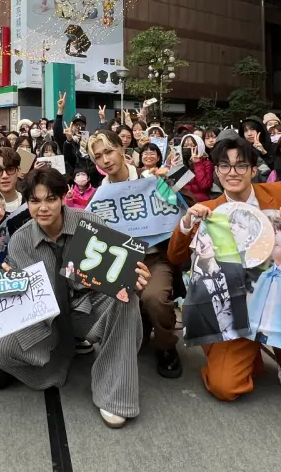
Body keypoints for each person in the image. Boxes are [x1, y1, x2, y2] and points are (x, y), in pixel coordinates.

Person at [167, 137, 281, 400]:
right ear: (216, 171)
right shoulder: (207, 210)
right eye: (225, 166)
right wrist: (186, 222)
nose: (233, 172)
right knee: (225, 388)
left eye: (241, 165)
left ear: (254, 170)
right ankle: (249, 356)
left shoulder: (279, 193)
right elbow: (175, 255)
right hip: (236, 313)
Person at [0, 167, 150, 428]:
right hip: (47, 317)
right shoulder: (20, 240)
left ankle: (115, 395)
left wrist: (135, 279)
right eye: (35, 200)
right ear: (27, 202)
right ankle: (58, 360)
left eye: (51, 198)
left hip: (89, 308)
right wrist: (9, 285)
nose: (43, 208)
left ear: (64, 197)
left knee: (125, 296)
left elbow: (119, 272)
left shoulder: (91, 224)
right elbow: (25, 299)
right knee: (0, 350)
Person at [87, 130, 180, 378]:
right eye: (98, 157)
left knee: (154, 298)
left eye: (108, 151)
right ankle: (134, 334)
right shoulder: (99, 196)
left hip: (154, 257)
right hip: (121, 260)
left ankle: (167, 346)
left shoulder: (150, 179)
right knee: (120, 301)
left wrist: (169, 186)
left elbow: (180, 210)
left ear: (122, 150)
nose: (105, 160)